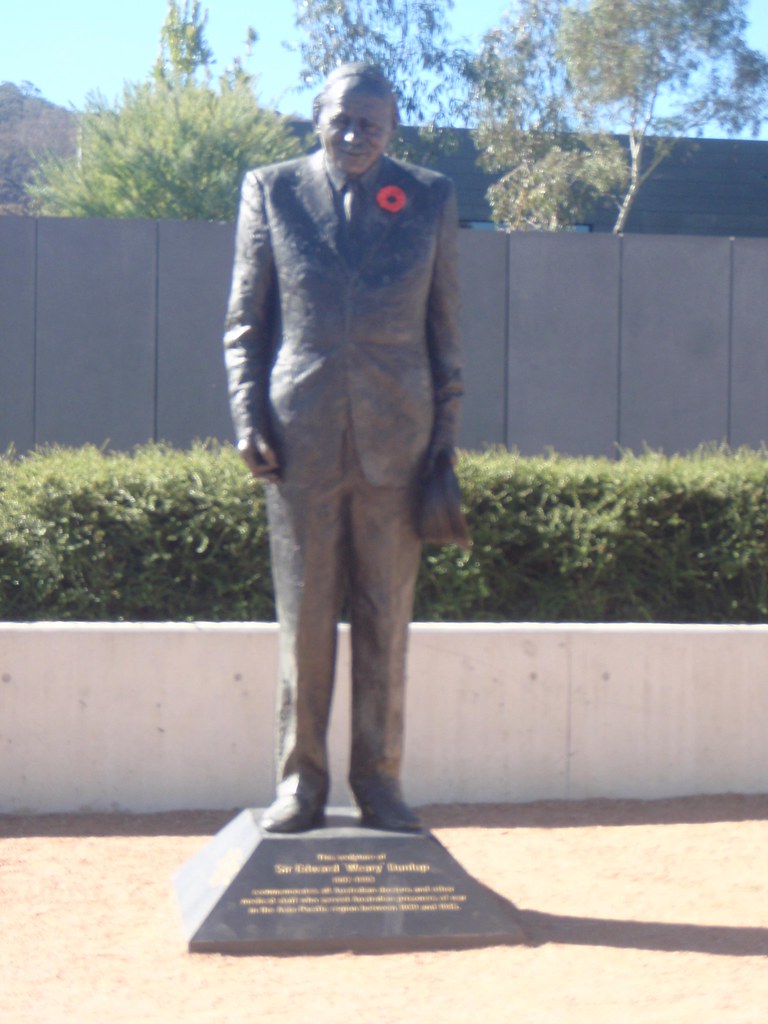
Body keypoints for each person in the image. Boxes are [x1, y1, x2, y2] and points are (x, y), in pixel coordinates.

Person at [223, 63, 462, 833]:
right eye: (343, 120)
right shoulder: (273, 189)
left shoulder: (430, 196)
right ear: (316, 117)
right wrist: (247, 414)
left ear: (393, 128)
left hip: (401, 440)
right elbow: (245, 323)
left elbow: (444, 334)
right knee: (305, 622)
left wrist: (444, 450)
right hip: (300, 442)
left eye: (373, 124)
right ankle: (300, 783)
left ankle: (380, 782)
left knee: (386, 621)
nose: (357, 136)